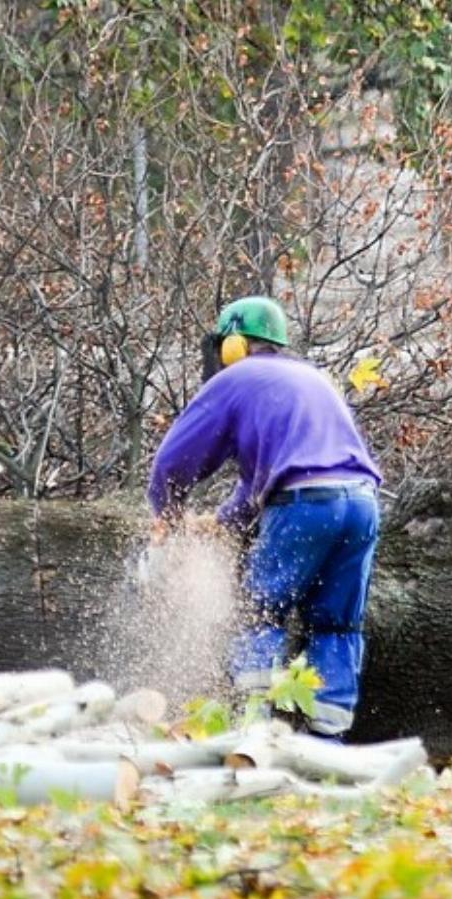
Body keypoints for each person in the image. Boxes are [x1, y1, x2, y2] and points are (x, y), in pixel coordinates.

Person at [147, 295, 383, 739]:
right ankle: (326, 740)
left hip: (304, 505)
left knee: (261, 612)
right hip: (362, 503)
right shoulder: (312, 378)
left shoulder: (237, 378)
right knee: (336, 622)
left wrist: (168, 520)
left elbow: (171, 464)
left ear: (234, 343)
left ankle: (251, 725)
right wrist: (222, 523)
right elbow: (261, 483)